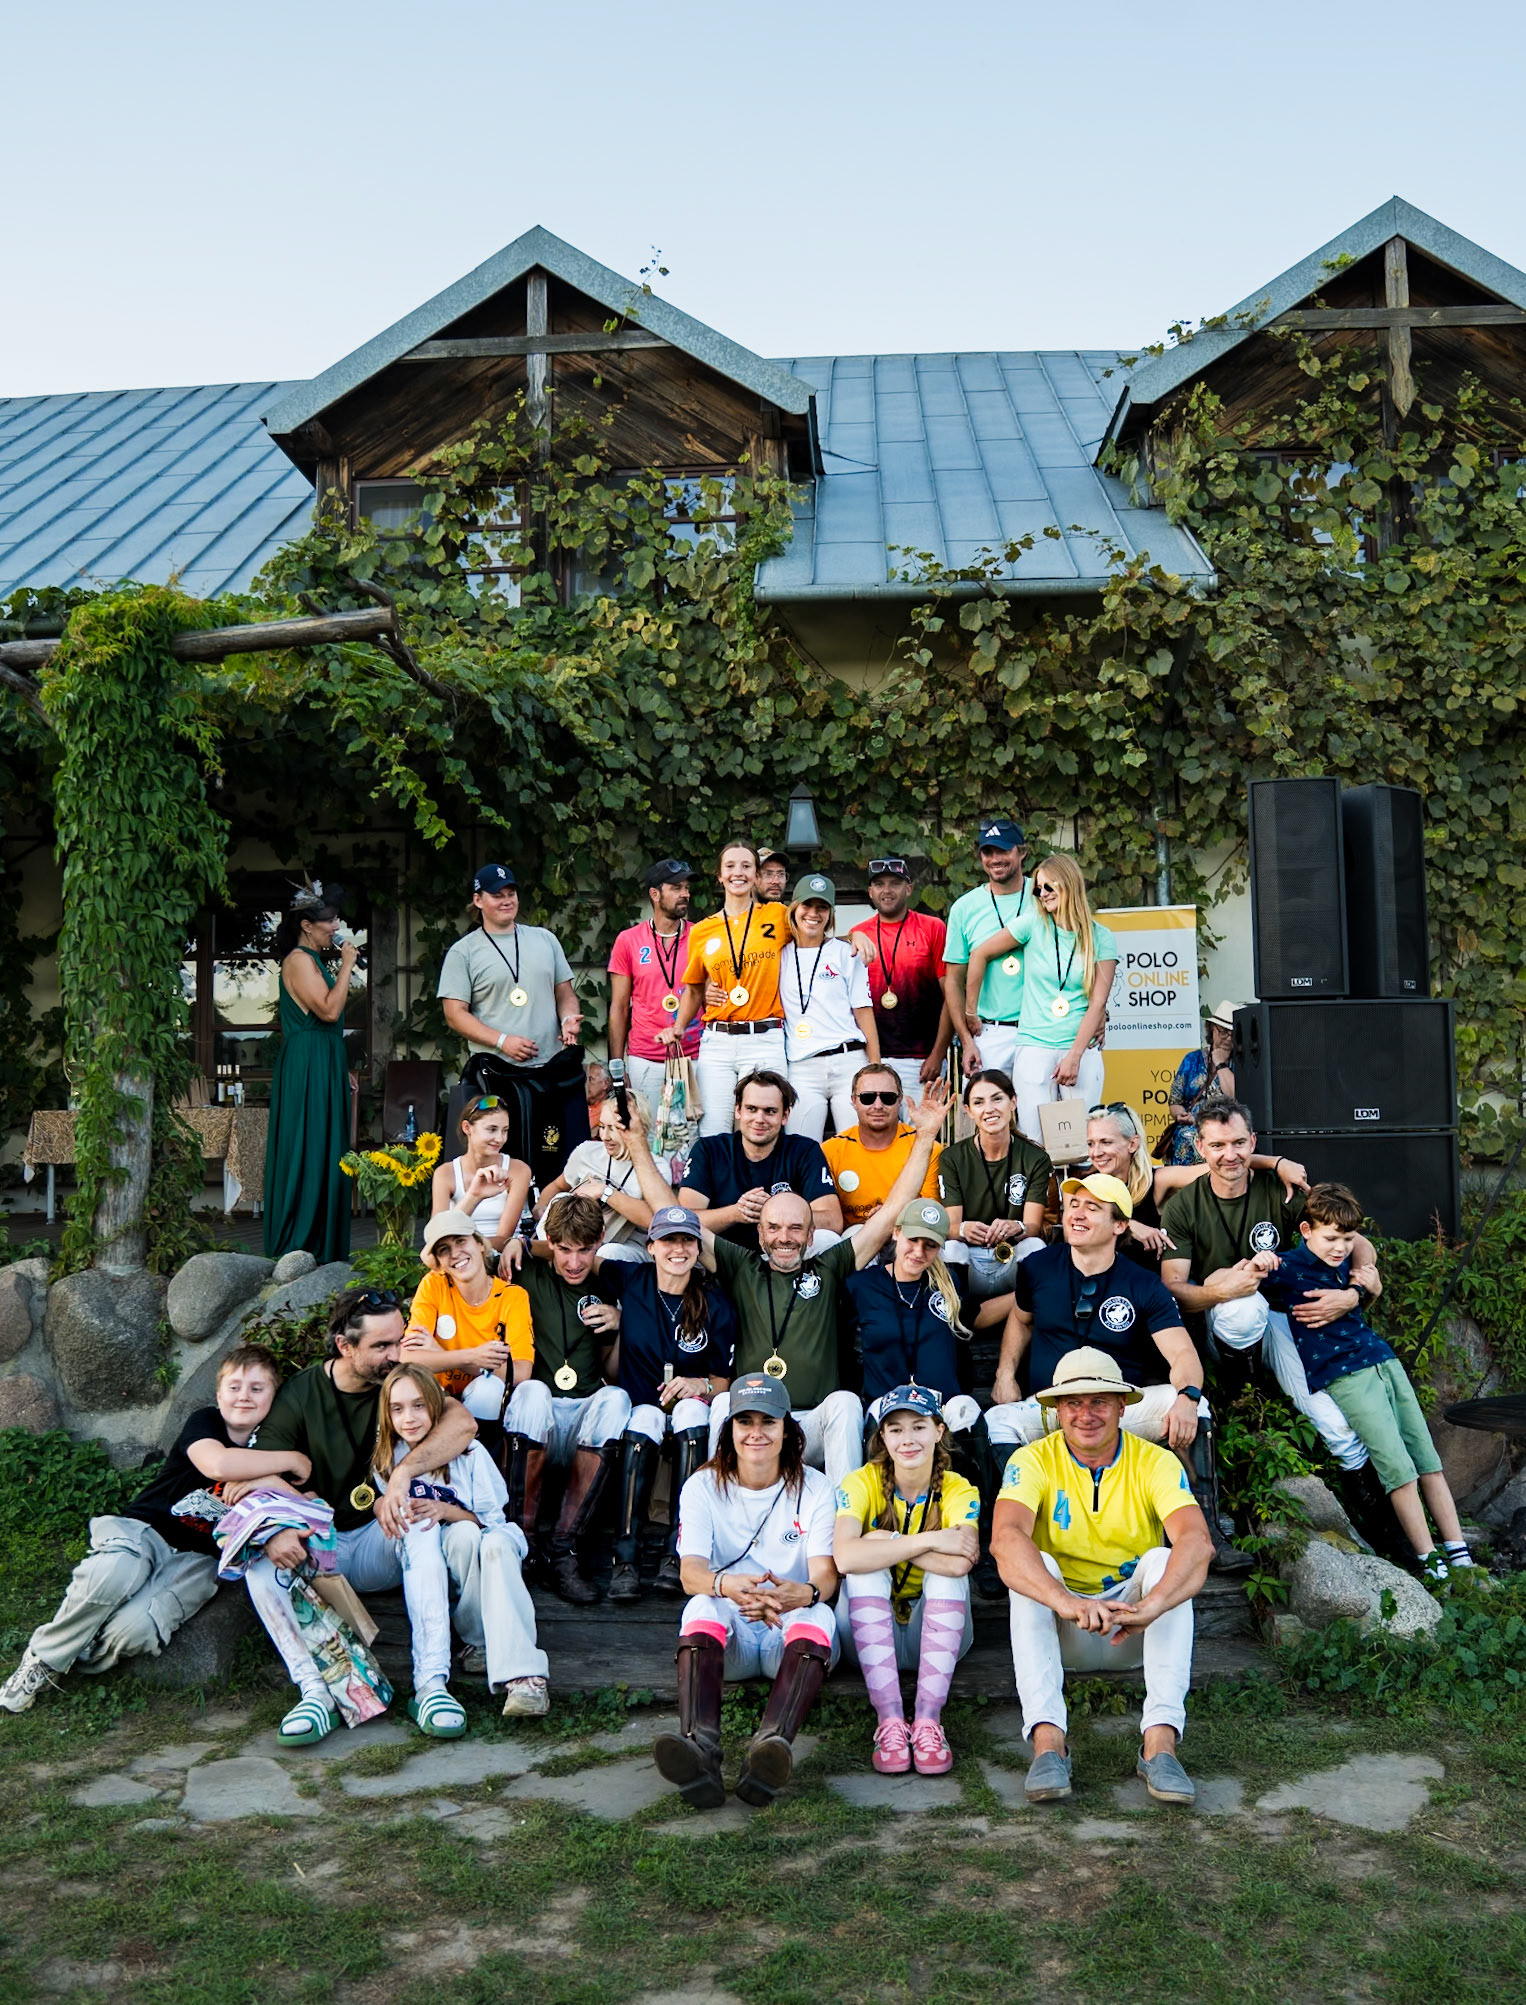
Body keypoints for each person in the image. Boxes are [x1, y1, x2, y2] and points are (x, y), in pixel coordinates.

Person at [625, 1085, 952, 1484]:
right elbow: (674, 1215)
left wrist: (925, 1136)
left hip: (809, 1424)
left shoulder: (830, 1267)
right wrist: (637, 1143)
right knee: (722, 1403)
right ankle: (714, 1505)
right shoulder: (740, 1266)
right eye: (774, 1227)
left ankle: (843, 1513)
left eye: (796, 1228)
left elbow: (893, 1211)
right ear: (759, 1233)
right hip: (755, 1427)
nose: (785, 1237)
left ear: (811, 1235)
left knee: (845, 1403)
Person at [0, 1346, 304, 1713]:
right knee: (116, 1571)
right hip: (148, 1530)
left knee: (138, 1629)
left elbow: (304, 1503)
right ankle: (43, 1658)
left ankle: (84, 1648)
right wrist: (291, 1461)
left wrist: (271, 1480)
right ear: (218, 1394)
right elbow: (219, 1465)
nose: (244, 1396)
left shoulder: (273, 1443)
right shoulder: (207, 1422)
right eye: (235, 1387)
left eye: (257, 1388)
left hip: (199, 1558)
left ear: (274, 1395)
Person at [244, 1286, 479, 1745]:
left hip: (377, 1540)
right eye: (381, 1346)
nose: (396, 1355)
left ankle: (432, 1686)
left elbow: (462, 1423)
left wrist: (403, 1475)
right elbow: (252, 1473)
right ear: (345, 1346)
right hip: (319, 1546)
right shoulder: (302, 1394)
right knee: (258, 1563)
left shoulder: (399, 1382)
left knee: (418, 1521)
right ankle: (315, 1692)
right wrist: (277, 1528)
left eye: (399, 1341)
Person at [986, 1172, 1250, 1574]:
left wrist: (1187, 1397)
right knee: (996, 1421)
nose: (1077, 1214)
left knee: (1192, 1404)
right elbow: (1020, 1321)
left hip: (1116, 1411)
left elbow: (1182, 1353)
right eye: (1074, 1205)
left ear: (1120, 1225)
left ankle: (1207, 1534)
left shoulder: (1143, 1284)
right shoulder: (1037, 1267)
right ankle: (1008, 1545)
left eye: (1092, 1208)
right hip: (1053, 1408)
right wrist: (1005, 1374)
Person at [994, 1347, 1213, 1806]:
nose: (1086, 1414)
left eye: (1099, 1401)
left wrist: (1152, 1605)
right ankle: (1048, 1746)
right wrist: (1065, 1602)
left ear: (1122, 1407)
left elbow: (1197, 1542)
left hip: (1133, 1626)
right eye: (1073, 1403)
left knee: (1164, 1560)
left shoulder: (1155, 1461)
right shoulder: (1030, 1460)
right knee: (1033, 1564)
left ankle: (1160, 1747)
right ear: (1056, 1410)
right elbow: (1005, 1540)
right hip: (1064, 1625)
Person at [1157, 1098, 1376, 1506]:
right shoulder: (1184, 1205)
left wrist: (1355, 1292)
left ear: (1253, 1142)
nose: (1230, 1155)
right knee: (1244, 1307)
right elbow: (1173, 1288)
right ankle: (1245, 1395)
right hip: (1220, 1325)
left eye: (1238, 1143)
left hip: (1282, 1317)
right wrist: (1222, 1291)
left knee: (1333, 1421)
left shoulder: (1280, 1190)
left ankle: (1373, 1509)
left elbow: (1356, 1241)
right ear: (1200, 1148)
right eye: (1217, 1145)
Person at [1262, 1182, 1476, 1580]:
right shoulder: (1287, 1267)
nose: (1340, 1247)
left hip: (1383, 1360)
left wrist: (1359, 1286)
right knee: (1398, 1470)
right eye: (1331, 1238)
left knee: (1427, 1461)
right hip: (1345, 1375)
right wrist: (1255, 1264)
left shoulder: (1347, 1260)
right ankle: (1432, 1565)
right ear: (1306, 1230)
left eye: (1346, 1239)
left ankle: (1461, 1558)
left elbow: (1363, 1249)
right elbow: (1240, 1281)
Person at [653, 1371, 838, 1809]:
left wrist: (801, 1594)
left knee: (820, 1612)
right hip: (730, 1633)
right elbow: (691, 1574)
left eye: (768, 1421)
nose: (756, 1432)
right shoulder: (702, 1486)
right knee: (700, 1605)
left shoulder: (815, 1486)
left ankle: (770, 1749)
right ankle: (699, 1747)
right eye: (745, 1421)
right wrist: (727, 1586)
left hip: (786, 1631)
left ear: (787, 1429)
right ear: (730, 1429)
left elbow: (825, 1577)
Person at [370, 1364, 550, 1716]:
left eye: (419, 1405)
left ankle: (525, 1679)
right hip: (439, 1568)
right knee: (457, 1537)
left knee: (483, 1539)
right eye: (397, 1409)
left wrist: (446, 1510)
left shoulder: (468, 1452)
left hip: (486, 1547)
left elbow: (491, 1523)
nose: (409, 1418)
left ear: (436, 1406)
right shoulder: (386, 1462)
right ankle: (478, 1641)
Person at [834, 1384, 978, 1775]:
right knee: (863, 1573)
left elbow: (960, 1565)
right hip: (866, 1637)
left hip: (937, 1635)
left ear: (939, 1430)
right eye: (895, 1429)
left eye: (918, 1427)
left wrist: (882, 1542)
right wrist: (928, 1540)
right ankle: (890, 1722)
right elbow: (845, 1557)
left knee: (944, 1578)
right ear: (882, 1436)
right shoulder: (860, 1482)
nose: (907, 1439)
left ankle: (929, 1721)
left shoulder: (958, 1488)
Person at [601, 1204, 736, 1601]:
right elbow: (576, 1259)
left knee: (693, 1409)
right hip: (641, 1406)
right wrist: (520, 1247)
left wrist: (699, 1384)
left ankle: (678, 1551)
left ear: (697, 1248)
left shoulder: (715, 1302)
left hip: (687, 1411)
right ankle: (625, 1556)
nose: (678, 1249)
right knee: (643, 1417)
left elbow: (722, 1382)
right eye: (668, 1240)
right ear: (651, 1246)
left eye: (687, 1241)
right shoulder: (631, 1277)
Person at [507, 1194, 632, 1603]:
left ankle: (564, 1549)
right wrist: (516, 1243)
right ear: (550, 1242)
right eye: (563, 1249)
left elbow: (614, 1371)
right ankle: (523, 1542)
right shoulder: (526, 1270)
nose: (574, 1262)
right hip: (537, 1419)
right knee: (531, 1390)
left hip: (584, 1419)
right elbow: (463, 1253)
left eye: (584, 1249)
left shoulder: (609, 1279)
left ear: (601, 1240)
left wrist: (621, 1324)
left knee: (616, 1398)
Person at [437, 862, 588, 1184]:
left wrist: (567, 1019)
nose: (507, 900)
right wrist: (502, 1040)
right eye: (497, 895)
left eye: (511, 893)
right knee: (506, 1161)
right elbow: (454, 1014)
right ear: (478, 900)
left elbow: (565, 993)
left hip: (550, 1071)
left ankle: (556, 1210)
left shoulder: (545, 939)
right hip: (497, 1074)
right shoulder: (463, 952)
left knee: (558, 1158)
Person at [964, 853, 1118, 1144]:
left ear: (1068, 884)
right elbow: (979, 953)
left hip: (1080, 1048)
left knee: (1080, 1143)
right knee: (1034, 1141)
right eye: (1038, 888)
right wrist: (971, 1010)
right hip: (1034, 1045)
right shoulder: (1032, 924)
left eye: (1049, 886)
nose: (1042, 894)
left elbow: (1098, 1002)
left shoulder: (1101, 937)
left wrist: (1074, 1056)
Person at [662, 841, 790, 1136]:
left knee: (764, 1129)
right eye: (730, 866)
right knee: (713, 1131)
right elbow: (694, 989)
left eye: (746, 866)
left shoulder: (778, 915)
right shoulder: (702, 930)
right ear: (720, 876)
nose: (738, 873)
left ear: (756, 875)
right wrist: (678, 1027)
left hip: (764, 1038)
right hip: (717, 1042)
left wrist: (856, 938)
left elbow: (816, 933)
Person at [1084, 1101, 1305, 1270]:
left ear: (1132, 1143)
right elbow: (1072, 1232)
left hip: (1150, 1293)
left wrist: (1277, 1163)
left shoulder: (1156, 1181)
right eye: (1091, 1144)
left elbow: (1221, 1164)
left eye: (1106, 1142)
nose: (1096, 1152)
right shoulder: (1082, 1188)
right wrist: (1129, 1225)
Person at [842, 1198, 998, 1432]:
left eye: (930, 1245)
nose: (919, 1252)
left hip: (941, 1410)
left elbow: (975, 1317)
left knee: (966, 1409)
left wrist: (1024, 1298)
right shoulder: (862, 1285)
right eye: (913, 1240)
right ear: (896, 1232)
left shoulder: (948, 1284)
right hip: (887, 1409)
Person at [264, 884, 356, 1261]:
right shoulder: (299, 960)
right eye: (329, 921)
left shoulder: (314, 960)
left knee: (325, 1146)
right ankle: (299, 1244)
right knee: (309, 1144)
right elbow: (329, 1011)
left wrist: (341, 1068)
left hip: (324, 1061)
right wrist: (347, 965)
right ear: (306, 925)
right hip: (307, 1065)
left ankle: (321, 1243)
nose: (336, 927)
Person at [678, 1070, 842, 1254]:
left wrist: (775, 1211)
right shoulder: (709, 1149)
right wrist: (737, 1212)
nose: (759, 1119)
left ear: (785, 1116)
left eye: (770, 1111)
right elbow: (683, 1220)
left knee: (827, 1239)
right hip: (722, 1256)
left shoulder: (805, 1150)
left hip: (785, 1253)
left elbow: (832, 1220)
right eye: (751, 1109)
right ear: (738, 1110)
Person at [400, 1209, 534, 1427]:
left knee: (493, 1387)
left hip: (493, 1408)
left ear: (480, 1243)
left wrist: (439, 1355)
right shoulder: (434, 1285)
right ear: (439, 1262)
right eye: (444, 1249)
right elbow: (408, 1357)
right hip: (441, 1399)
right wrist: (474, 1358)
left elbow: (520, 1373)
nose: (455, 1254)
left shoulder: (512, 1296)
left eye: (461, 1241)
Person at [937, 1069, 1050, 1304]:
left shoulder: (1035, 1157)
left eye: (997, 1099)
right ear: (968, 1110)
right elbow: (950, 1227)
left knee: (1035, 1246)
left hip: (1011, 1255)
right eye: (979, 1102)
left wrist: (1016, 1226)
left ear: (1013, 1102)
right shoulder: (952, 1157)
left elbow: (1033, 1227)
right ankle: (955, 1316)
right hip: (971, 1258)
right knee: (951, 1248)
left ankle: (1028, 1317)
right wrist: (964, 1229)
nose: (989, 1109)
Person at [848, 856, 954, 1106]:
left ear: (909, 888)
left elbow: (951, 995)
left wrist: (938, 1053)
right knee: (876, 1127)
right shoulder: (858, 933)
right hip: (872, 1057)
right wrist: (850, 936)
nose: (887, 890)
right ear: (870, 892)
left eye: (895, 883)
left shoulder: (932, 927)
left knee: (921, 1128)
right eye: (879, 884)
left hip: (921, 1060)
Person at [781, 873, 878, 1139]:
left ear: (830, 913)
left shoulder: (847, 952)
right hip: (802, 1066)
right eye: (807, 905)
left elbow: (863, 1011)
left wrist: (875, 1067)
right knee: (802, 1146)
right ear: (794, 908)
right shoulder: (780, 954)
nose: (814, 913)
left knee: (855, 1144)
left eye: (822, 907)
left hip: (848, 1061)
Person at [607, 859, 702, 1117]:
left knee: (692, 1133)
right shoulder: (628, 940)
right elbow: (619, 1007)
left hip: (694, 1055)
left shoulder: (701, 936)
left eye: (687, 888)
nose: (685, 894)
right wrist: (617, 1065)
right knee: (647, 1133)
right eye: (676, 888)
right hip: (645, 1058)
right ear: (655, 894)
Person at [941, 816, 1031, 1081]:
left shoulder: (1044, 896)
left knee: (1044, 1108)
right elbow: (953, 981)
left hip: (1041, 1029)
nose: (995, 859)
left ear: (1022, 852)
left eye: (1003, 850)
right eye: (988, 852)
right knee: (986, 1107)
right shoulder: (964, 907)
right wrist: (966, 1040)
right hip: (990, 1033)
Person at [534, 1090, 656, 1260]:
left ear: (636, 1127)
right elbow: (558, 1185)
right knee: (560, 1199)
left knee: (608, 1253)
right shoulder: (586, 1151)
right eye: (602, 1126)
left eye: (613, 1128)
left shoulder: (654, 1166)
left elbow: (655, 1218)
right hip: (578, 1235)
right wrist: (540, 1206)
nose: (604, 1136)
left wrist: (603, 1191)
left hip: (626, 1246)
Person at [822, 1062, 941, 1234]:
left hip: (908, 1234)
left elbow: (931, 1212)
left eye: (888, 1098)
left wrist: (892, 1216)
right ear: (854, 1101)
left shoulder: (927, 1147)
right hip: (854, 1237)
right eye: (867, 1098)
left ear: (900, 1100)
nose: (878, 1105)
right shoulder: (830, 1151)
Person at [429, 1094, 533, 1264]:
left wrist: (467, 1250)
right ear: (467, 1128)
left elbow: (504, 1238)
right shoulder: (445, 1173)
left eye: (505, 1130)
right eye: (492, 1129)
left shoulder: (519, 1170)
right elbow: (436, 1235)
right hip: (456, 1257)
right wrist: (474, 1196)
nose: (500, 1139)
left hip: (500, 1259)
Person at [1160, 1002, 1240, 1166]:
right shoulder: (1192, 1059)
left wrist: (1220, 1063)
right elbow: (1175, 1102)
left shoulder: (1242, 1062)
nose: (1228, 1037)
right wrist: (1181, 1115)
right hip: (1192, 1127)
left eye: (1233, 1034)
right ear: (1212, 1028)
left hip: (1227, 1126)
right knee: (1186, 1136)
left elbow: (1235, 1096)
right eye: (1223, 1031)